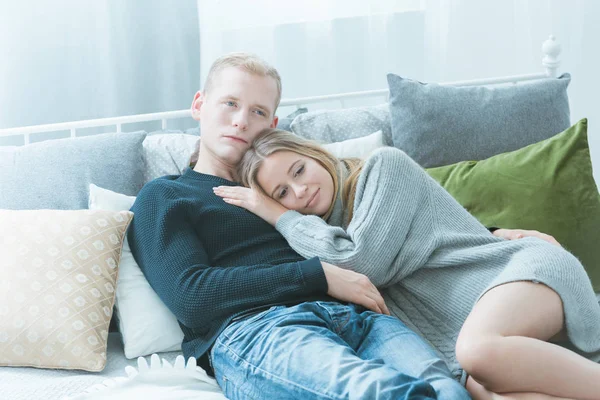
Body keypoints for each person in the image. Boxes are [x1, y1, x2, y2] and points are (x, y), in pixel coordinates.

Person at [128, 52, 454, 399]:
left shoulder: (290, 190)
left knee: (448, 389)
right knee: (383, 393)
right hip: (259, 327)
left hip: (361, 318)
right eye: (230, 103)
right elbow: (191, 296)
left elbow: (390, 220)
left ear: (272, 123)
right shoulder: (165, 195)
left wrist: (491, 232)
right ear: (199, 105)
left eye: (258, 112)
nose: (241, 121)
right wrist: (319, 275)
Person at [214, 128, 600, 400]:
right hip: (464, 330)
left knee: (477, 350)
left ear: (316, 155)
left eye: (298, 170)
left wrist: (281, 216)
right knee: (484, 393)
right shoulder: (317, 236)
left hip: (515, 274)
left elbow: (360, 261)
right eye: (283, 193)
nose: (300, 190)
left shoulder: (383, 168)